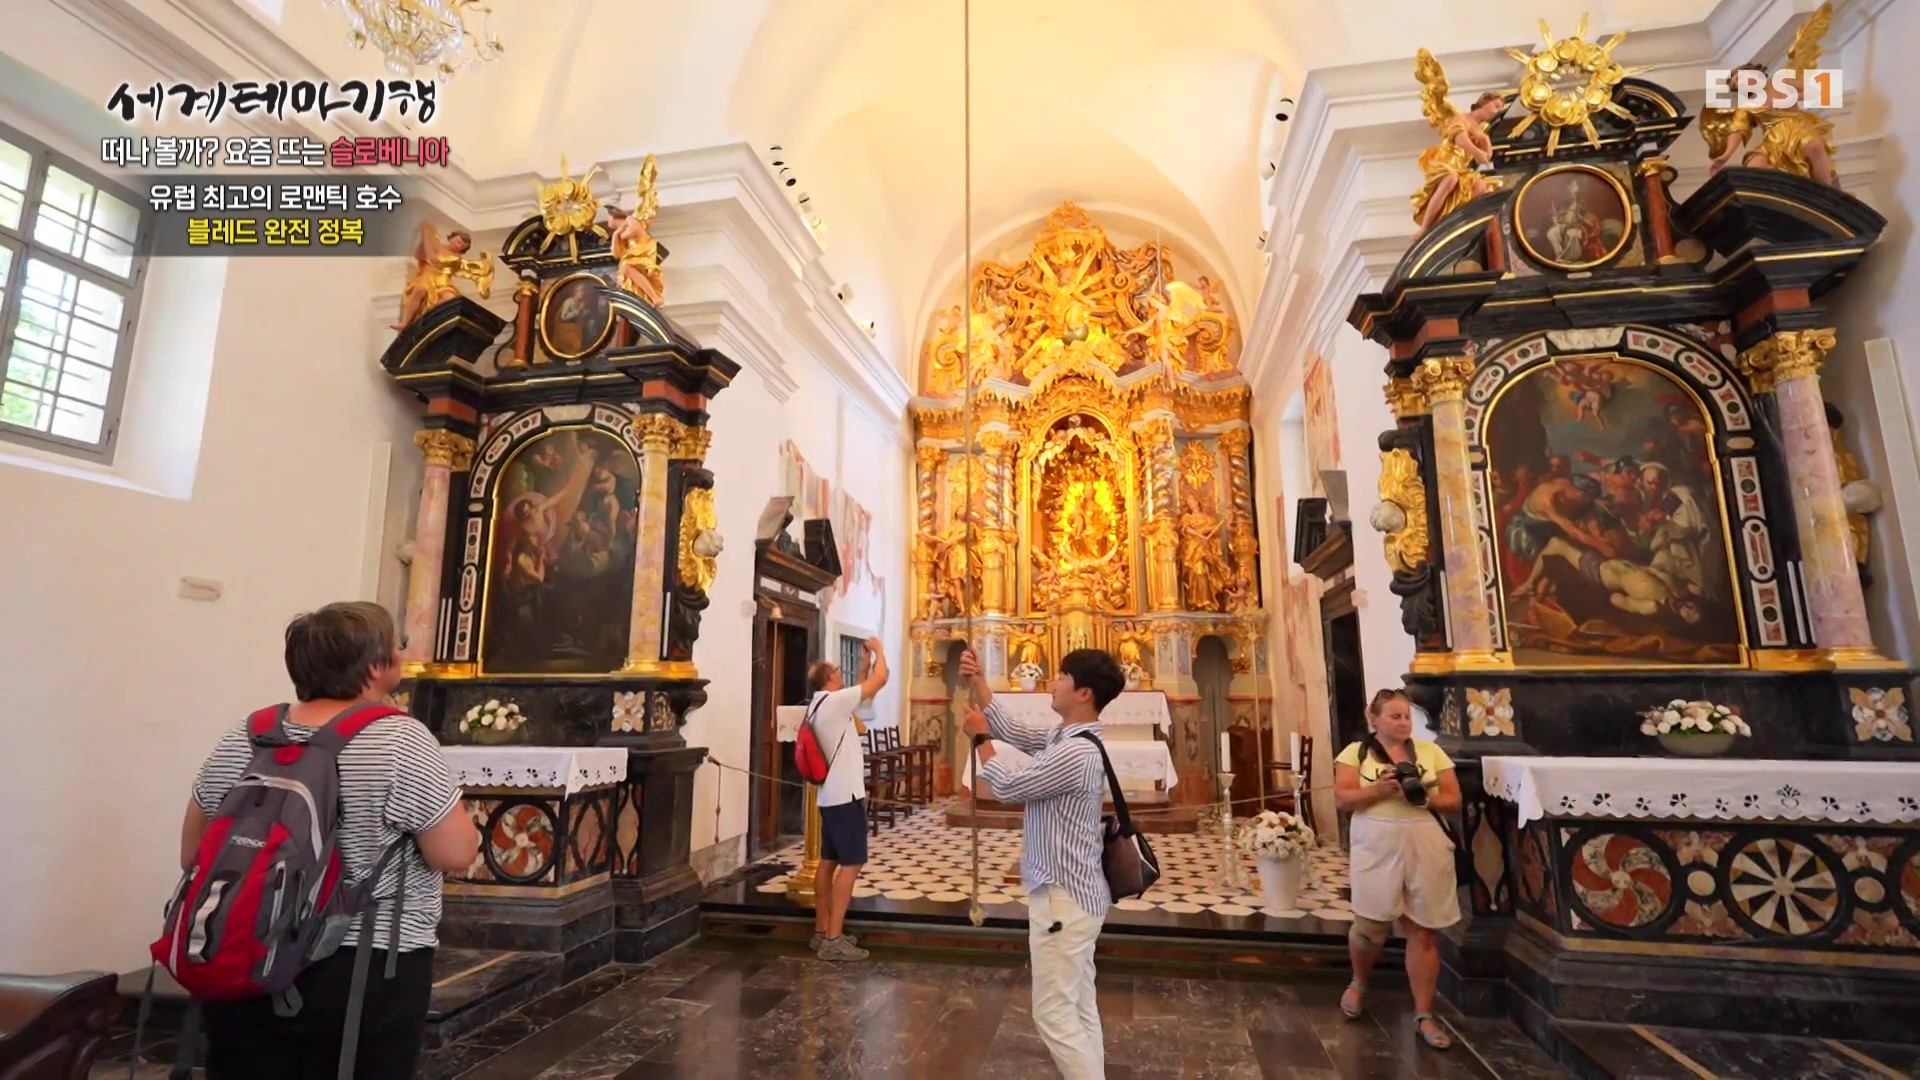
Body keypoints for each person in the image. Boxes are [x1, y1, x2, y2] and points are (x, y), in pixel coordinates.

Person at [179, 602, 479, 1078]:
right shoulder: (399, 739)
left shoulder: (250, 734)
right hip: (363, 966)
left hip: (245, 951)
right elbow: (454, 853)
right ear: (375, 666)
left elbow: (193, 853)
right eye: (398, 645)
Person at [959, 645, 1122, 1080]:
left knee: (1053, 1013)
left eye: (1063, 675)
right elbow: (1014, 729)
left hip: (1063, 899)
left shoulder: (1077, 752)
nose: (1053, 681)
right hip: (1076, 896)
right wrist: (980, 681)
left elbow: (1010, 787)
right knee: (1079, 1007)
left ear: (1084, 692)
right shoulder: (1067, 737)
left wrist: (980, 740)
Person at [1333, 687, 1463, 1051]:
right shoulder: (1356, 753)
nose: (1404, 722)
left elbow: (1453, 799)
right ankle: (1359, 981)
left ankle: (1424, 1012)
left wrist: (1423, 797)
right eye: (1395, 716)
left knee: (1423, 930)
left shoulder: (1431, 752)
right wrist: (1379, 790)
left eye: (1407, 716)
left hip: (1425, 841)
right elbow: (1343, 798)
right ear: (1374, 719)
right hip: (1377, 843)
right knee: (1369, 927)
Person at [805, 636, 889, 961]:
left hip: (830, 796)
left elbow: (858, 693)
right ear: (830, 677)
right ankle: (834, 939)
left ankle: (821, 930)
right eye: (838, 670)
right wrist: (880, 651)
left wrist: (864, 665)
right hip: (846, 797)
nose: (841, 672)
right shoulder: (834, 702)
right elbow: (880, 680)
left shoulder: (820, 703)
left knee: (828, 863)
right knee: (851, 865)